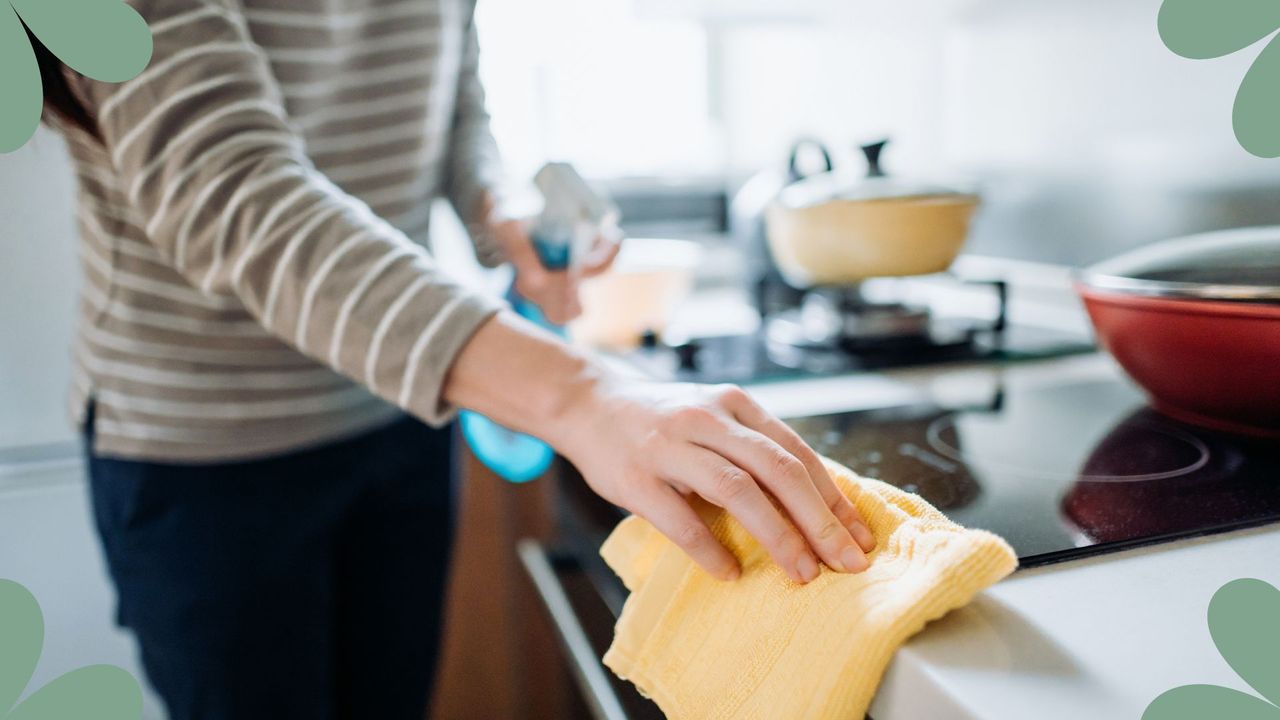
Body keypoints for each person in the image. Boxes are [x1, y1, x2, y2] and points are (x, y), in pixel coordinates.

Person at [32, 1, 875, 718]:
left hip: (394, 413)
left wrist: (496, 206)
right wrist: (584, 398)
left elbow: (452, 100)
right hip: (206, 448)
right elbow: (232, 191)